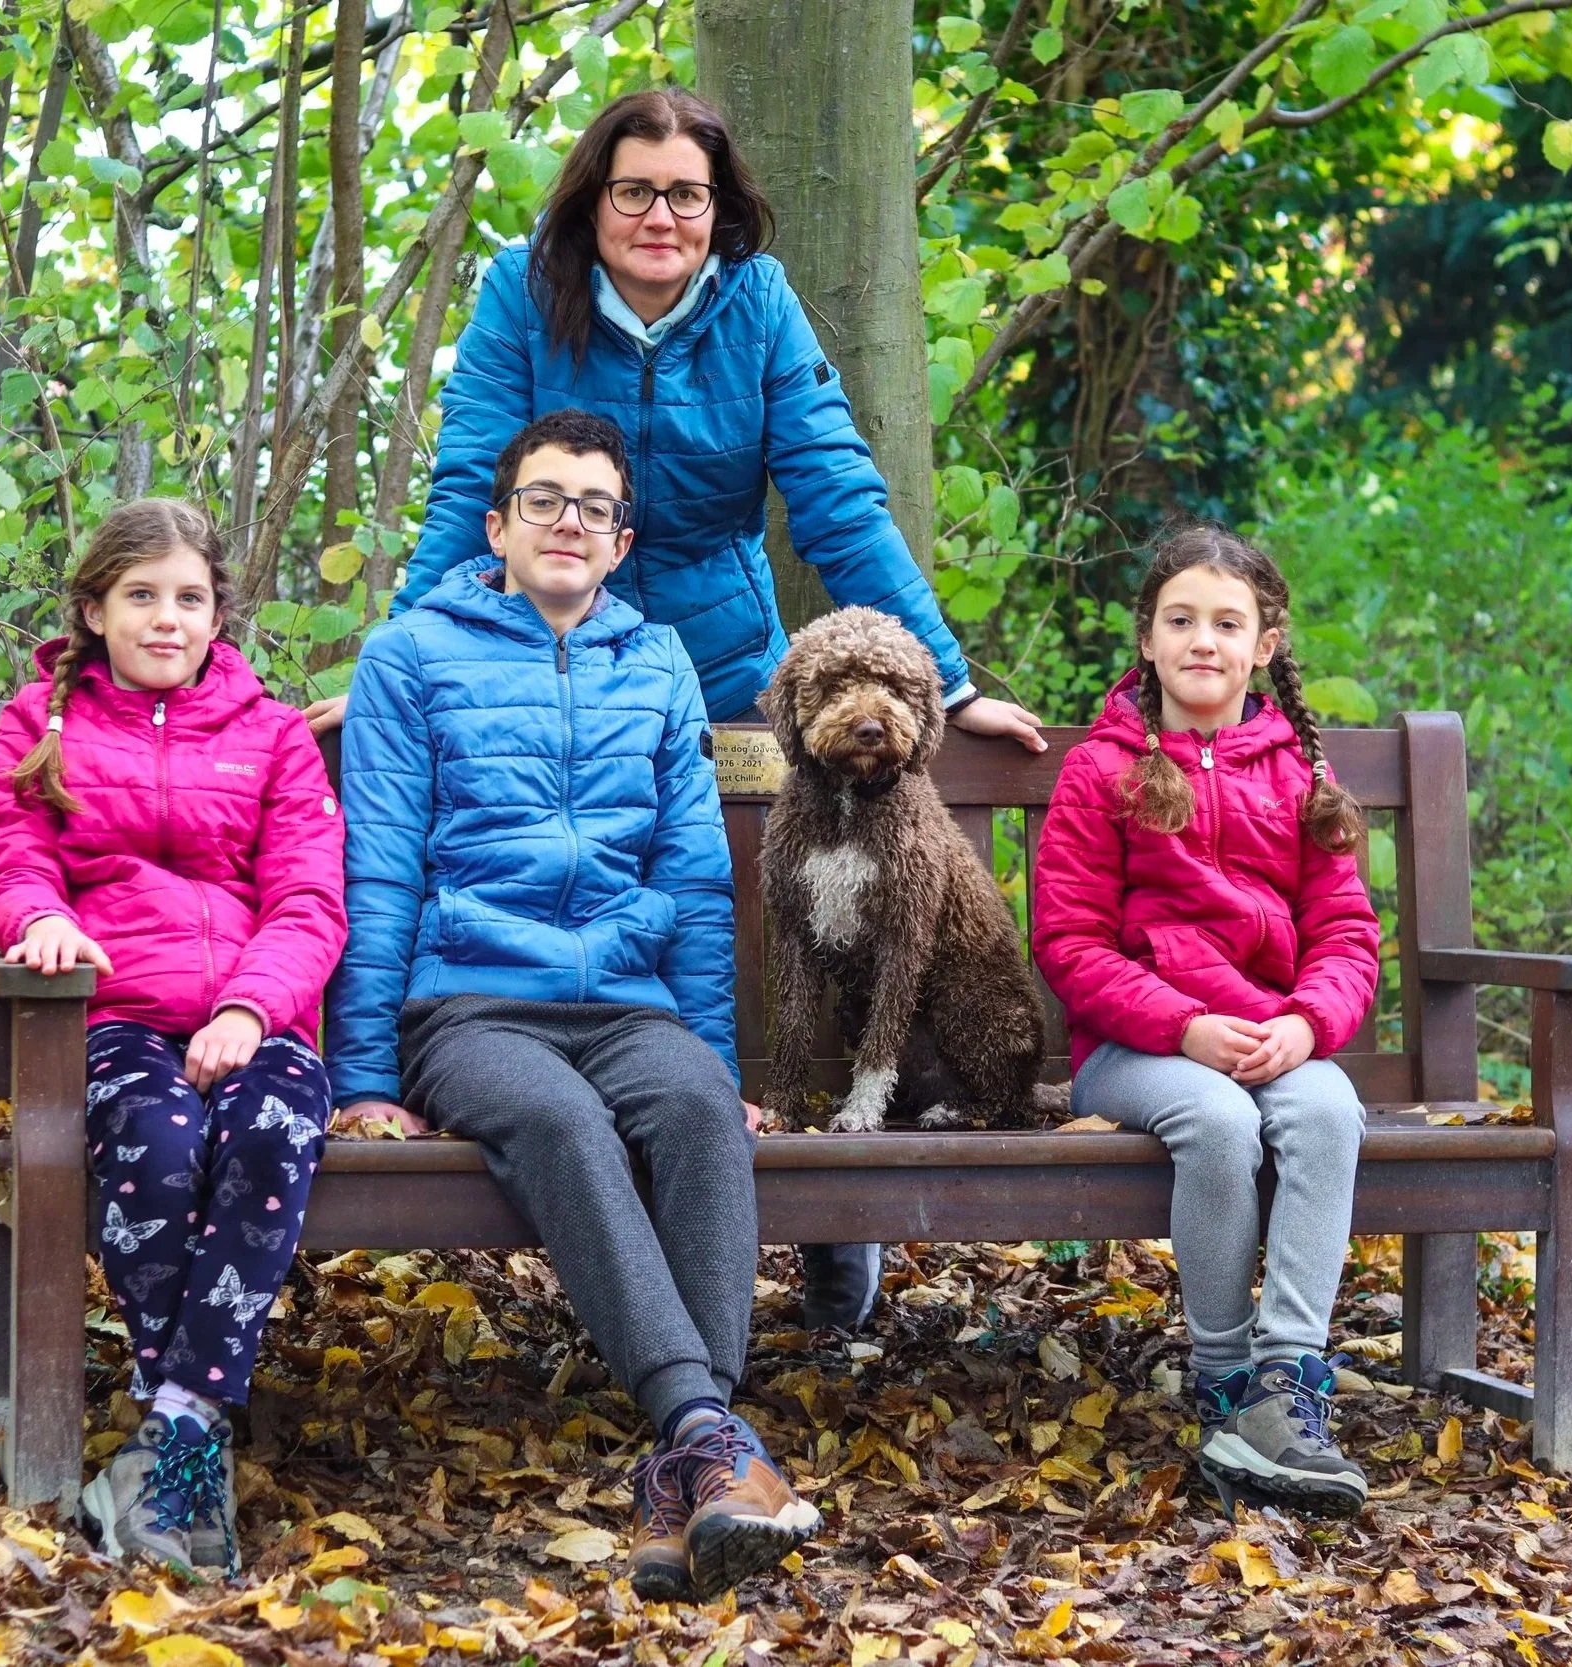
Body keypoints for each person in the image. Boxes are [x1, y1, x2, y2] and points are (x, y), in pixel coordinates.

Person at [312, 86, 1046, 1327]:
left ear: (722, 208)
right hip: (533, 642)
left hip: (712, 661)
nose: (662, 216)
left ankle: (813, 1211)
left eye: (688, 194)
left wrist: (947, 675)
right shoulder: (520, 293)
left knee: (755, 907)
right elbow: (470, 488)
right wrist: (404, 642)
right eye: (635, 190)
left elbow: (833, 492)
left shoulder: (754, 304)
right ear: (593, 200)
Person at [327, 409, 820, 1601]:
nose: (567, 523)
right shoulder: (410, 654)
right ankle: (708, 1436)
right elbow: (380, 868)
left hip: (628, 1000)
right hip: (472, 1006)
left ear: (618, 541)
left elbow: (695, 881)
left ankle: (681, 1473)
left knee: (697, 1112)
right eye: (543, 500)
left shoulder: (655, 663)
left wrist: (712, 1057)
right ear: (496, 527)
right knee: (561, 1122)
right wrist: (365, 1080)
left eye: (592, 508)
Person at [0, 499, 347, 1573]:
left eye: (189, 598)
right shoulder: (40, 724)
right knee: (160, 1136)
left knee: (276, 1124)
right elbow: (14, 857)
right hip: (114, 1013)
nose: (166, 618)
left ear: (217, 614)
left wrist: (247, 1007)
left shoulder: (272, 733)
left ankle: (172, 1432)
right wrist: (40, 920)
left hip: (253, 1008)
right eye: (141, 596)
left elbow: (309, 899)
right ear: (94, 610)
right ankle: (183, 1454)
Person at [1029, 522, 1381, 1514]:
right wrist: (1183, 1025)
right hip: (1139, 1052)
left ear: (1264, 643)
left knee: (1323, 1108)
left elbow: (1347, 933)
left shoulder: (1299, 774)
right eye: (1179, 619)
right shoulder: (1104, 771)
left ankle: (1285, 1381)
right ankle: (1224, 1378)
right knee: (1218, 1119)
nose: (1202, 640)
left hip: (1275, 1033)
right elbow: (1070, 943)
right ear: (1145, 637)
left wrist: (1308, 1026)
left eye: (1227, 623)